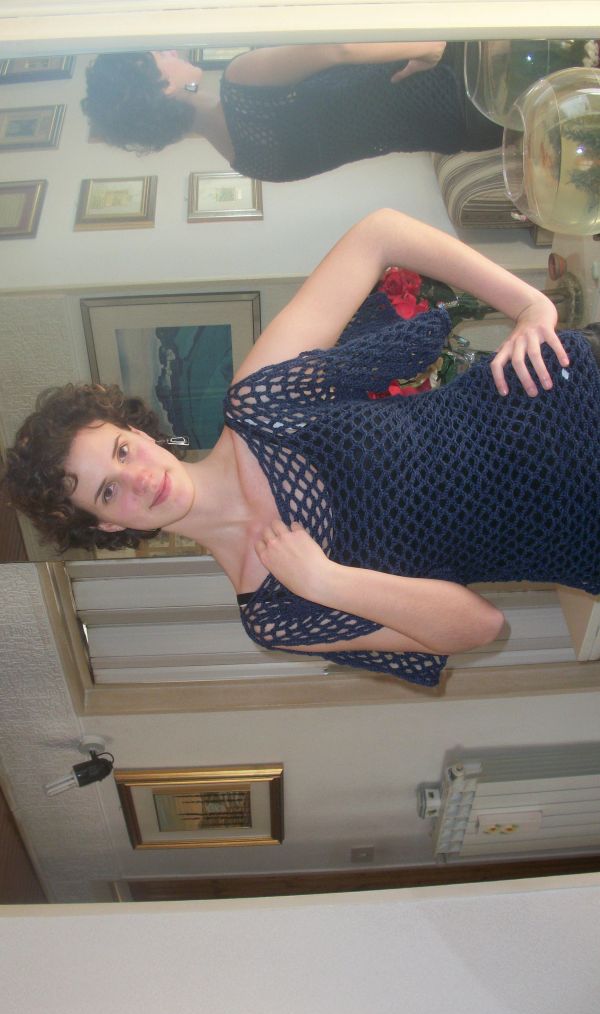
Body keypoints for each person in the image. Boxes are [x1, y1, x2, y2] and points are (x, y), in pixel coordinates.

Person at [5, 210, 600, 687]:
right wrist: (325, 582)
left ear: (137, 433)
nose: (136, 478)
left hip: (566, 396)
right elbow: (478, 628)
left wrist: (529, 306)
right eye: (108, 492)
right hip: (583, 533)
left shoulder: (260, 402)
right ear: (107, 526)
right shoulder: (276, 614)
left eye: (121, 452)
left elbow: (379, 234)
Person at [81, 42, 503, 181]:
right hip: (460, 72)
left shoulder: (249, 163)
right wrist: (435, 46)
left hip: (465, 131)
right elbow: (339, 48)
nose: (168, 51)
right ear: (164, 87)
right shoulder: (241, 81)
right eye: (156, 56)